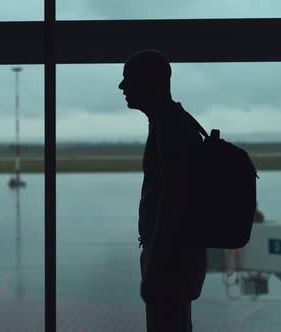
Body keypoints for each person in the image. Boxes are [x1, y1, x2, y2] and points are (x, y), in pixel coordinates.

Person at [118, 49, 207, 331]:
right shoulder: (171, 123)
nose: (122, 87)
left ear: (152, 82)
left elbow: (174, 201)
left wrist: (156, 262)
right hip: (171, 255)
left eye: (129, 79)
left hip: (169, 257)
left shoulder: (170, 127)